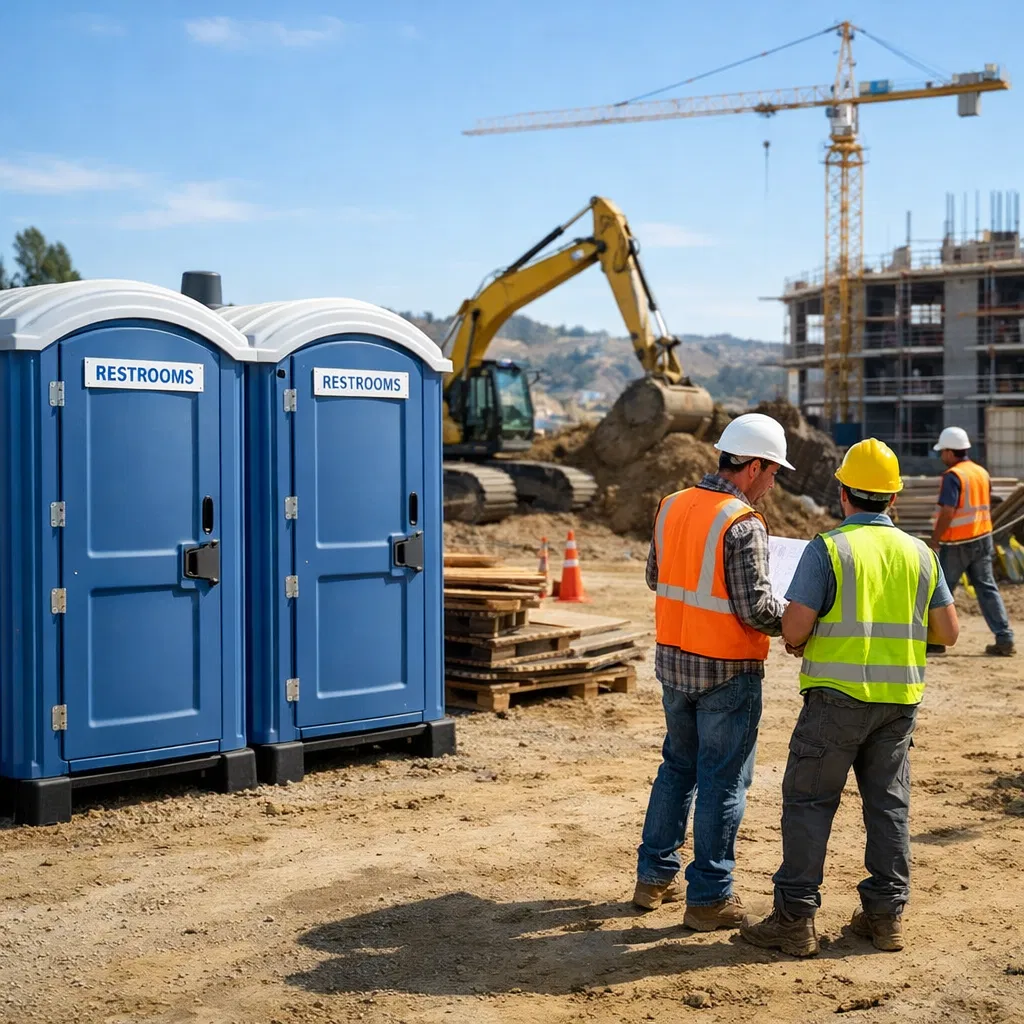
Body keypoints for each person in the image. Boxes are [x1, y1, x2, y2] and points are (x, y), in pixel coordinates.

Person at [740, 438, 959, 957]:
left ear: (843, 494)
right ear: (893, 499)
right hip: (898, 703)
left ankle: (795, 920)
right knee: (888, 807)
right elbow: (947, 632)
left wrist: (797, 641)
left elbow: (795, 624)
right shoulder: (920, 553)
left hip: (835, 702)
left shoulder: (830, 547)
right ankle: (885, 918)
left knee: (810, 804)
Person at [633, 413, 792, 931]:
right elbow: (754, 610)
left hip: (674, 663)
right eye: (773, 473)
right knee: (722, 782)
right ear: (754, 466)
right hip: (727, 670)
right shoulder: (741, 522)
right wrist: (795, 618)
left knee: (677, 767)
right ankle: (709, 898)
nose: (773, 484)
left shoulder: (670, 505)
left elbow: (657, 577)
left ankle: (653, 878)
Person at [929, 426, 1014, 657]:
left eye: (942, 451)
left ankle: (936, 641)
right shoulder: (981, 472)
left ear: (949, 451)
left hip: (957, 544)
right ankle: (1004, 638)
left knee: (942, 592)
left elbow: (948, 511)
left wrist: (935, 539)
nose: (941, 456)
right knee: (987, 589)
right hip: (982, 539)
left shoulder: (953, 476)